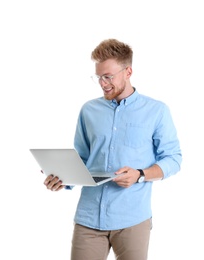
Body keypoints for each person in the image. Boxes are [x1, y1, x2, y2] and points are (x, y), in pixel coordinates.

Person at [43, 38, 182, 260]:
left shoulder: (157, 111)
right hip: (88, 219)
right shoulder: (89, 110)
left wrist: (140, 175)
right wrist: (63, 178)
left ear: (128, 72)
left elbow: (174, 159)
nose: (103, 83)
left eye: (108, 76)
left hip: (132, 219)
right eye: (99, 77)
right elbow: (82, 157)